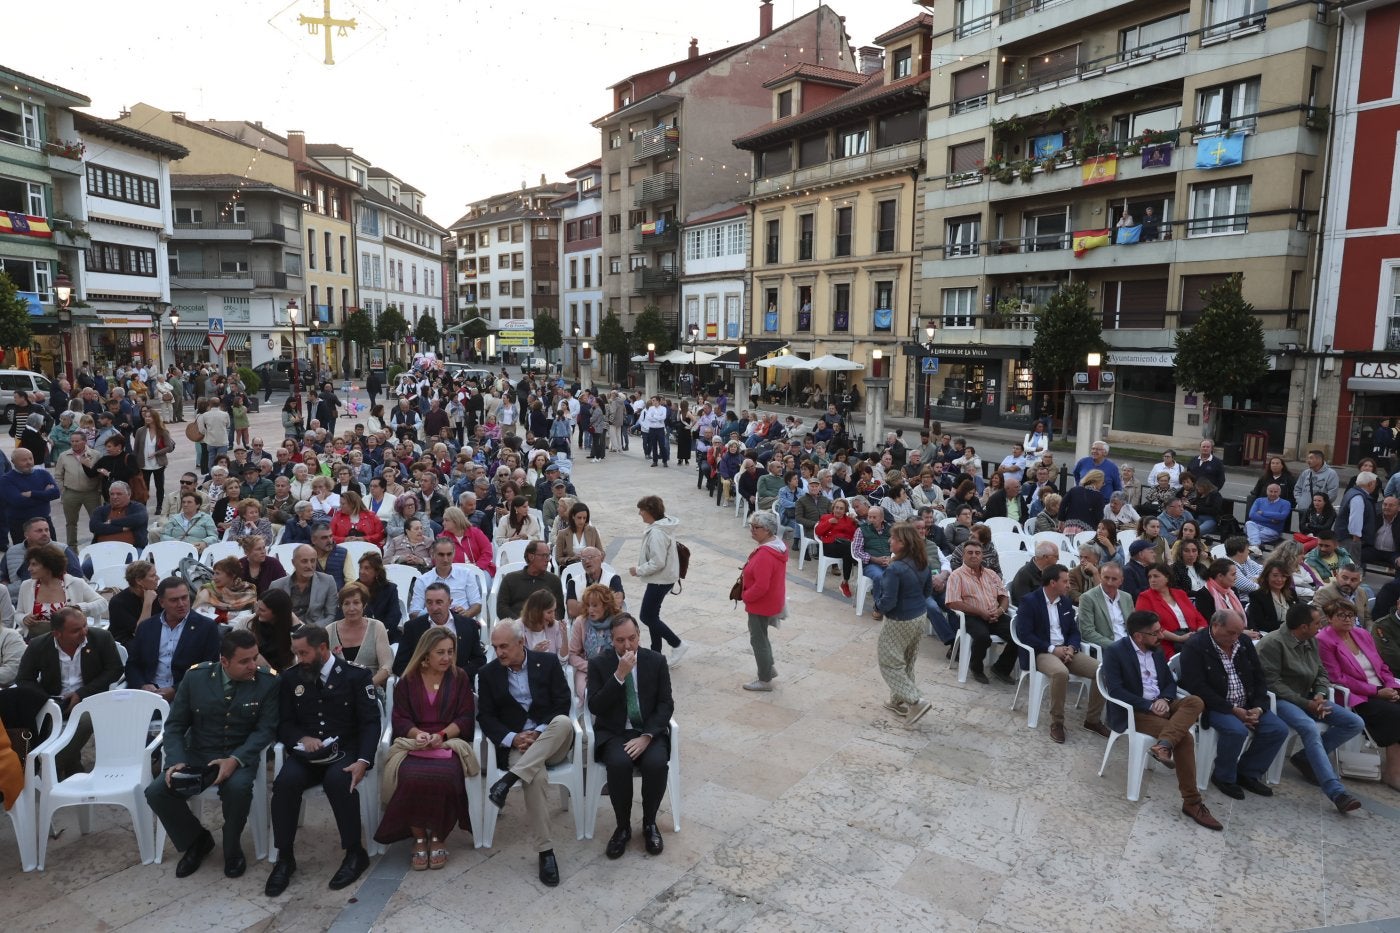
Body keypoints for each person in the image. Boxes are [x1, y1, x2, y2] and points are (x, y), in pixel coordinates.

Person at [145, 629, 280, 879]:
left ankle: (232, 848)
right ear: (224, 661)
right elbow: (175, 725)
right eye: (245, 661)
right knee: (156, 791)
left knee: (237, 789)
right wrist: (176, 761)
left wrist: (235, 760)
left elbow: (265, 730)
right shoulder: (196, 677)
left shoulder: (268, 682)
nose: (253, 665)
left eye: (255, 657)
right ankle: (197, 841)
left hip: (239, 755)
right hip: (199, 753)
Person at [264, 624, 379, 897]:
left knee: (339, 781)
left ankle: (354, 852)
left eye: (303, 653)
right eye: (295, 653)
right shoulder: (291, 678)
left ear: (323, 649)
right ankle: (285, 857)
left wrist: (363, 760)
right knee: (284, 784)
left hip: (344, 749)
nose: (299, 660)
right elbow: (284, 722)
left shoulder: (355, 676)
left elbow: (370, 723)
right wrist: (302, 738)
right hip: (308, 754)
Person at [1100, 611, 1221, 830]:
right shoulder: (1115, 652)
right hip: (1136, 712)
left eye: (1160, 630)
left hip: (1161, 704)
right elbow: (1116, 691)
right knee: (1184, 738)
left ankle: (1163, 745)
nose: (1161, 635)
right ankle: (1192, 802)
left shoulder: (1155, 651)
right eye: (1155, 632)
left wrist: (1164, 699)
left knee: (1195, 701)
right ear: (1138, 636)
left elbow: (1169, 681)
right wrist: (1149, 705)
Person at [477, 619, 575, 887]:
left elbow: (563, 703)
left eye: (504, 646)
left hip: (552, 740)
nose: (499, 653)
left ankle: (507, 781)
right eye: (495, 647)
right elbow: (485, 716)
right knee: (535, 777)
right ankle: (546, 852)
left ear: (521, 643)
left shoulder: (549, 663)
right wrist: (513, 737)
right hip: (518, 746)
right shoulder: (488, 674)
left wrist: (539, 731)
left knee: (564, 722)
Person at [375, 626, 480, 869]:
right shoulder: (408, 681)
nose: (447, 658)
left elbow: (465, 718)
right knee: (410, 776)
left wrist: (441, 734)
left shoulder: (460, 677)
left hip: (447, 742)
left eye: (450, 652)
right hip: (416, 743)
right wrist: (419, 734)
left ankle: (438, 836)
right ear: (425, 654)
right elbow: (400, 719)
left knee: (447, 775)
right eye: (440, 653)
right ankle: (419, 835)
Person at [1177, 609, 1289, 800]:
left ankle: (1247, 773)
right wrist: (1231, 710)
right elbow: (1198, 687)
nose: (1235, 637)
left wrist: (1259, 707)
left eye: (1239, 632)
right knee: (1237, 731)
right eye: (1231, 632)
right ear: (1215, 626)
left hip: (1247, 703)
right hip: (1215, 706)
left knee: (1278, 729)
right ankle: (1223, 776)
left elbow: (1259, 677)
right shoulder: (1195, 646)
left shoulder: (1243, 642)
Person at [587, 614, 674, 860]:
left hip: (648, 731)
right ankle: (622, 827)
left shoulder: (656, 661)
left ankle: (649, 823)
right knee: (619, 764)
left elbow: (666, 704)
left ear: (639, 636)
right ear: (611, 641)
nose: (627, 646)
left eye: (632, 639)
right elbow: (595, 706)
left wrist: (647, 736)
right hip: (615, 731)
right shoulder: (599, 664)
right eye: (621, 640)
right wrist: (619, 676)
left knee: (656, 763)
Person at [15, 607, 123, 778]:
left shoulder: (101, 638)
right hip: (54, 701)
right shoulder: (39, 645)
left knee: (85, 720)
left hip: (91, 699)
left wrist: (81, 693)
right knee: (49, 724)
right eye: (76, 630)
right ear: (57, 634)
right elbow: (24, 679)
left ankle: (54, 766)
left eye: (85, 626)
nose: (84, 632)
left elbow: (115, 669)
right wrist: (48, 701)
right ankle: (73, 768)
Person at [1014, 564, 1108, 743]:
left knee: (1100, 669)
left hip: (1066, 650)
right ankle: (1057, 723)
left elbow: (1074, 631)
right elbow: (1025, 635)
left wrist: (1072, 648)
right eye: (1065, 581)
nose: (1068, 585)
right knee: (1060, 673)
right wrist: (1052, 649)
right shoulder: (1030, 601)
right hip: (1041, 652)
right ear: (1052, 583)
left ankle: (1092, 720)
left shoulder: (1065, 601)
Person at [870, 521, 935, 726]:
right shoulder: (923, 562)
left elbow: (889, 601)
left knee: (889, 662)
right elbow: (927, 592)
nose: (890, 541)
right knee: (907, 660)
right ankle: (897, 701)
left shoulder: (895, 568)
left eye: (894, 539)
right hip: (919, 616)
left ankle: (915, 700)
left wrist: (878, 608)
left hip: (900, 620)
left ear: (904, 543)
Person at [944, 539, 1016, 685]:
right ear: (963, 555)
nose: (974, 556)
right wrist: (981, 612)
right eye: (970, 553)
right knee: (983, 637)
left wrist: (1000, 611)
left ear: (982, 556)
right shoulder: (956, 575)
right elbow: (953, 602)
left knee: (1019, 634)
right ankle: (976, 668)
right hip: (972, 617)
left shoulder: (991, 574)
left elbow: (1003, 596)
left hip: (995, 615)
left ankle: (1001, 668)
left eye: (978, 553)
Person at [627, 496, 686, 663]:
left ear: (650, 512)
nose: (640, 513)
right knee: (653, 615)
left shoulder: (657, 533)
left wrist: (638, 570)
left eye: (642, 510)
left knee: (647, 616)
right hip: (662, 578)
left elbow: (658, 561)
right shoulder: (661, 526)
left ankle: (677, 644)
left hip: (661, 579)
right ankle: (656, 653)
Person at [394, 581, 488, 678]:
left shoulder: (468, 625)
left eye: (439, 602)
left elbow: (479, 660)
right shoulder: (413, 627)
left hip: (458, 684)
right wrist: (425, 677)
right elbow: (400, 665)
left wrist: (458, 674)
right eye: (429, 602)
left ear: (450, 603)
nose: (434, 608)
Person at [740, 511, 787, 694]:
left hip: (762, 603)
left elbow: (761, 586)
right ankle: (769, 668)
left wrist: (746, 596)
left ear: (767, 531)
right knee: (762, 637)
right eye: (751, 526)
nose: (752, 530)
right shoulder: (777, 547)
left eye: (756, 527)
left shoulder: (766, 554)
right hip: (771, 600)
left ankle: (764, 679)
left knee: (758, 640)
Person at [1135, 563, 1207, 658]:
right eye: (1149, 577)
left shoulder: (1180, 593)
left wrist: (1200, 632)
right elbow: (1148, 626)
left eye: (1156, 576)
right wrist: (1179, 638)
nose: (1152, 580)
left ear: (1167, 577)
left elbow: (1198, 617)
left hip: (1193, 638)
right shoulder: (1145, 597)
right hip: (1167, 644)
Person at [408, 538, 486, 621]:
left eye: (449, 554)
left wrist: (467, 614)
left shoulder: (466, 574)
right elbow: (414, 612)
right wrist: (433, 613)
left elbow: (477, 604)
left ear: (454, 554)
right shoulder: (423, 580)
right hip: (432, 624)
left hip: (460, 620)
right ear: (433, 555)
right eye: (441, 555)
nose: (445, 559)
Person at [267, 545, 339, 629]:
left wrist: (308, 629)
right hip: (285, 632)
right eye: (304, 561)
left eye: (313, 561)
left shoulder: (328, 581)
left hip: (315, 633)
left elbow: (331, 616)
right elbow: (270, 615)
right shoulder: (277, 585)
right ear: (293, 562)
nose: (309, 566)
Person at [53, 431, 101, 550]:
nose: (74, 443)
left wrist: (99, 491)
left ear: (84, 441)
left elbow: (100, 475)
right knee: (71, 523)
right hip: (71, 493)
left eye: (77, 441)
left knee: (96, 522)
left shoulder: (96, 454)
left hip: (91, 493)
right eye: (72, 441)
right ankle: (72, 548)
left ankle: (98, 546)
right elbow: (58, 475)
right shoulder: (63, 456)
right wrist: (63, 492)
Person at [0, 447, 59, 543]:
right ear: (13, 462)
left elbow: (56, 493)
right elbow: (18, 501)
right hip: (21, 525)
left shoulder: (43, 474)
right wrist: (45, 495)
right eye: (24, 460)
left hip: (44, 522)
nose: (29, 462)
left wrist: (32, 493)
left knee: (51, 553)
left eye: (30, 458)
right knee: (25, 555)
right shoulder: (6, 480)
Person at [1077, 562, 1136, 649]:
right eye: (1106, 578)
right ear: (1100, 577)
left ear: (1121, 581)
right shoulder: (1088, 598)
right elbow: (1087, 632)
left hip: (1130, 644)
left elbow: (1134, 625)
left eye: (1114, 579)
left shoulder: (1126, 597)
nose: (1109, 583)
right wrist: (1116, 646)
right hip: (1108, 648)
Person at [134, 408, 176, 515]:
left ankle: (159, 506)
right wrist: (134, 463)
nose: (147, 418)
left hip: (158, 463)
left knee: (159, 486)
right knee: (144, 487)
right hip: (143, 464)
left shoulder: (162, 431)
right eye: (146, 416)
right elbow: (136, 448)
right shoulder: (140, 431)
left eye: (150, 416)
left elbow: (169, 447)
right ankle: (143, 507)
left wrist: (156, 453)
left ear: (155, 418)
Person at [108, 559, 159, 646]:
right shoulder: (118, 602)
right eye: (152, 576)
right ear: (139, 581)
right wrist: (148, 603)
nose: (157, 578)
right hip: (127, 645)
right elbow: (141, 632)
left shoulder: (158, 593)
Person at [195, 556, 258, 625]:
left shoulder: (246, 592)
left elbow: (243, 620)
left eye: (217, 573)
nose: (213, 578)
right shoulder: (209, 590)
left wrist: (219, 619)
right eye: (214, 573)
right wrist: (222, 618)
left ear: (232, 575)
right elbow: (198, 613)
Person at [1246, 558, 1297, 634]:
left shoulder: (1291, 592)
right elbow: (1260, 624)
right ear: (1267, 576)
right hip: (1272, 635)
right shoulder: (1257, 596)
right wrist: (1289, 625)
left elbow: (1298, 614)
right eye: (1275, 575)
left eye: (1283, 576)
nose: (1279, 579)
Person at [1315, 565, 1372, 629]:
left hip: (1360, 633)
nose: (1348, 582)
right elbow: (1323, 621)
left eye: (1353, 580)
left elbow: (1367, 618)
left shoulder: (1361, 592)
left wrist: (1370, 633)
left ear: (1360, 582)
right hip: (1339, 633)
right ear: (1337, 577)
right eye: (1345, 578)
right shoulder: (1325, 593)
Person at [1245, 484, 1290, 548]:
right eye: (1271, 491)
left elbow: (1282, 516)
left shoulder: (1286, 503)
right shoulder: (1259, 500)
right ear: (1267, 491)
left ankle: (1255, 547)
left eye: (1275, 492)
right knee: (1249, 523)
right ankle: (1255, 547)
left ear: (1279, 492)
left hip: (1272, 530)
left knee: (1252, 536)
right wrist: (1271, 520)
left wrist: (1263, 513)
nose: (1273, 494)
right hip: (1255, 526)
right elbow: (1252, 515)